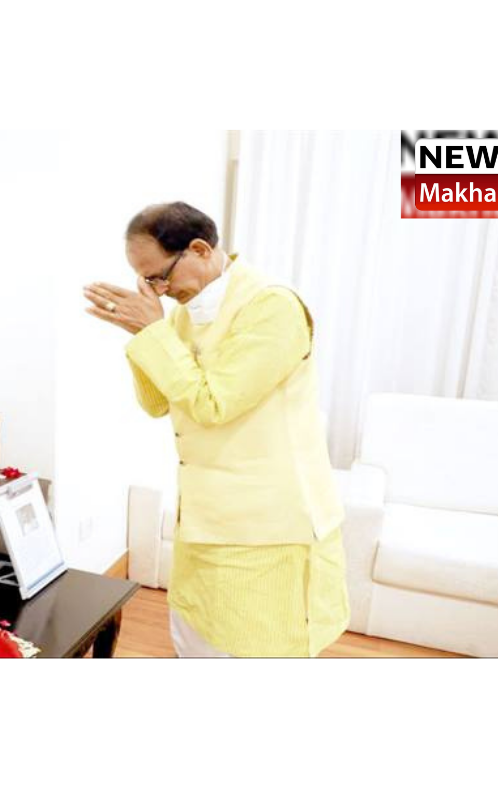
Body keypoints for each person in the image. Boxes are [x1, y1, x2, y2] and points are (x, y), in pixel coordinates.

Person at [83, 201, 349, 657]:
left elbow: (213, 404)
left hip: (267, 523)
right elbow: (156, 403)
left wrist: (153, 334)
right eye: (147, 282)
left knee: (259, 647)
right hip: (205, 516)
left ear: (200, 249)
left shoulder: (273, 307)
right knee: (198, 636)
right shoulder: (184, 314)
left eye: (159, 277)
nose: (159, 292)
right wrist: (144, 336)